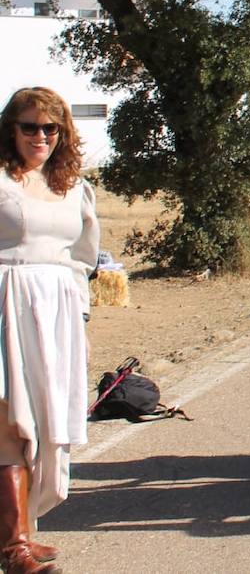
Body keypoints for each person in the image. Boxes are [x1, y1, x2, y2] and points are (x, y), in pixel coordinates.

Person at [0, 88, 97, 573]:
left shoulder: (72, 184)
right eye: (29, 127)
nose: (40, 136)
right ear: (10, 129)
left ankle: (21, 530)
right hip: (6, 303)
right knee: (10, 421)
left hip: (58, 309)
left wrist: (79, 310)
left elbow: (83, 255)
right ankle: (15, 543)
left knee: (43, 420)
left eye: (50, 128)